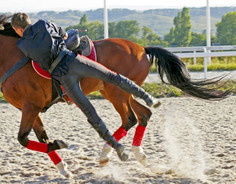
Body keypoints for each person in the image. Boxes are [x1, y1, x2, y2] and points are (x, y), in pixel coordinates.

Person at [11, 13, 161, 160]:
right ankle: (147, 97)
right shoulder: (44, 22)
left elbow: (36, 62)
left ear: (17, 29)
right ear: (29, 21)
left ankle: (114, 145)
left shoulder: (22, 44)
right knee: (111, 76)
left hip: (64, 77)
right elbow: (64, 36)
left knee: (90, 112)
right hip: (75, 60)